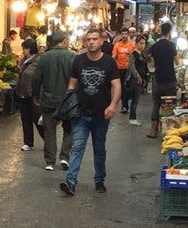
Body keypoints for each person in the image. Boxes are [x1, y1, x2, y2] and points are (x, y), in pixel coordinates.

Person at [59, 27, 122, 196]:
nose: (91, 42)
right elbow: (72, 85)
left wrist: (113, 105)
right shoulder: (78, 61)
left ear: (102, 41)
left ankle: (99, 180)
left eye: (94, 39)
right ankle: (71, 182)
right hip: (81, 114)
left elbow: (116, 85)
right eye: (89, 39)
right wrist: (68, 103)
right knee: (77, 147)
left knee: (99, 148)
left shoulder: (109, 62)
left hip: (102, 114)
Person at [33, 30, 76, 171]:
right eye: (68, 40)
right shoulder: (72, 57)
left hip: (48, 99)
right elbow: (76, 79)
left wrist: (36, 95)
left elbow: (37, 78)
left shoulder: (44, 57)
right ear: (64, 41)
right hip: (67, 100)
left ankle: (50, 161)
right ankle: (64, 157)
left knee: (49, 131)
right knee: (68, 129)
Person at [146, 22, 178, 138]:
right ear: (169, 32)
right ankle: (169, 132)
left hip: (158, 80)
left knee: (156, 104)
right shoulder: (172, 45)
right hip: (170, 80)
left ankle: (153, 131)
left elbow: (152, 63)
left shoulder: (155, 46)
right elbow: (177, 62)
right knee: (170, 105)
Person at [15, 37, 44, 150]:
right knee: (25, 119)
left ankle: (48, 140)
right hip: (22, 94)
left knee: (38, 119)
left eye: (24, 49)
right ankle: (28, 142)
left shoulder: (38, 60)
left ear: (28, 49)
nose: (23, 51)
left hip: (34, 95)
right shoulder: (24, 60)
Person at [112, 28, 136, 114]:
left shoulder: (132, 45)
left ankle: (127, 102)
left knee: (128, 88)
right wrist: (115, 62)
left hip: (129, 70)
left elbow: (135, 57)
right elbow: (113, 56)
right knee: (122, 88)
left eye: (126, 34)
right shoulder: (117, 45)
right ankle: (124, 105)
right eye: (123, 34)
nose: (125, 35)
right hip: (119, 69)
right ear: (121, 35)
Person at [126, 35, 148, 126]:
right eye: (140, 43)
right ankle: (132, 118)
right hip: (135, 80)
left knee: (137, 99)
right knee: (135, 99)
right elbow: (131, 67)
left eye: (144, 43)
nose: (142, 45)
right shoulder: (133, 54)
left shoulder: (141, 54)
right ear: (136, 43)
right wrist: (138, 77)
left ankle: (133, 117)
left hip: (141, 79)